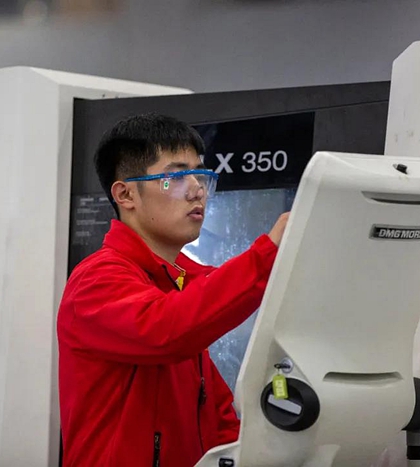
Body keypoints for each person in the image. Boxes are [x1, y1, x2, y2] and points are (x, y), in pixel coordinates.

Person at [57, 113, 289, 467]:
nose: (197, 189)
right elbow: (166, 329)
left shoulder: (179, 284)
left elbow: (217, 419)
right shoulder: (96, 280)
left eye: (200, 175)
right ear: (125, 194)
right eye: (177, 177)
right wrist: (267, 256)